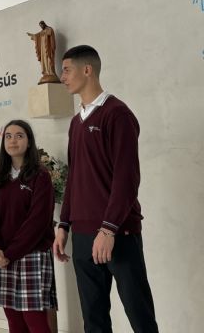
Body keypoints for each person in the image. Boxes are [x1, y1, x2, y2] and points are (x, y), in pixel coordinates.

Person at [53, 45, 158, 333]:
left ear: (87, 70)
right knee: (94, 320)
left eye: (66, 69)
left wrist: (108, 229)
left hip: (118, 233)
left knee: (140, 315)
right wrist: (63, 225)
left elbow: (127, 179)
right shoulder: (76, 123)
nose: (62, 76)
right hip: (84, 235)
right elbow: (74, 178)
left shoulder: (117, 114)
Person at [0, 119, 57, 333]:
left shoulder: (40, 176)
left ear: (29, 141)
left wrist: (11, 252)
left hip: (31, 255)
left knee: (34, 319)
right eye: (8, 136)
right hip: (4, 256)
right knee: (14, 320)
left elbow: (38, 221)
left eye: (19, 135)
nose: (13, 140)